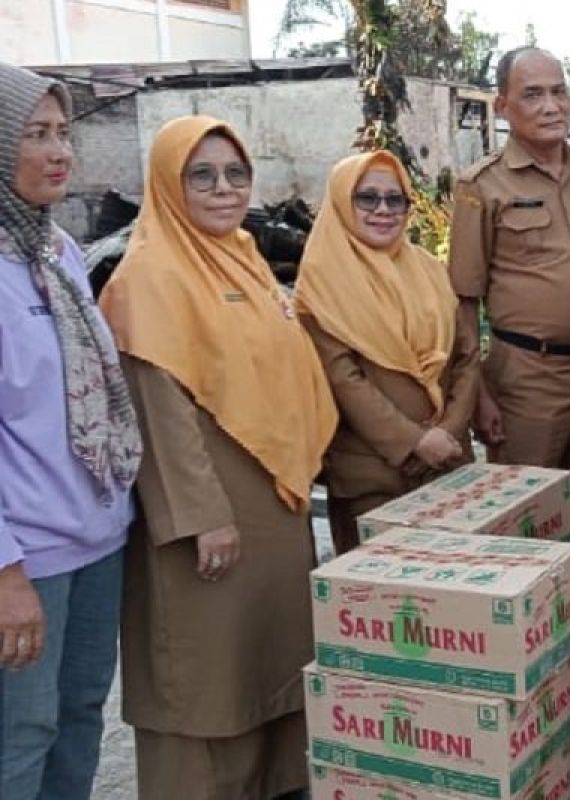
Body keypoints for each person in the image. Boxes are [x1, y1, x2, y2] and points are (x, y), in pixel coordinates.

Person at [99, 115, 337, 799]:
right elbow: (160, 412)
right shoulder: (149, 277)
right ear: (169, 186)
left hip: (274, 504)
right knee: (204, 679)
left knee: (270, 663)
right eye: (201, 175)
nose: (223, 188)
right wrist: (205, 517)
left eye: (235, 173)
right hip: (210, 516)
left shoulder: (242, 256)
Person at [0, 61, 141, 800]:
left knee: (81, 716)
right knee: (21, 737)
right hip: (29, 558)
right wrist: (5, 573)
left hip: (98, 536)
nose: (60, 152)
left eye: (63, 133)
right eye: (34, 134)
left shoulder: (57, 253)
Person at [448, 47, 570, 574]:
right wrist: (477, 393)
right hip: (529, 378)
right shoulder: (481, 186)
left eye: (559, 91)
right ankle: (525, 639)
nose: (551, 105)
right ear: (503, 105)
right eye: (533, 94)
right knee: (524, 519)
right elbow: (463, 300)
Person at [296, 151, 478, 555]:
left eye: (395, 199)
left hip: (446, 463)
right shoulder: (323, 282)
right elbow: (344, 379)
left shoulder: (430, 269)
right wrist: (414, 441)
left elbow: (466, 357)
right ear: (343, 202)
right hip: (372, 474)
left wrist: (448, 430)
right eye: (368, 198)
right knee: (381, 606)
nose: (383, 210)